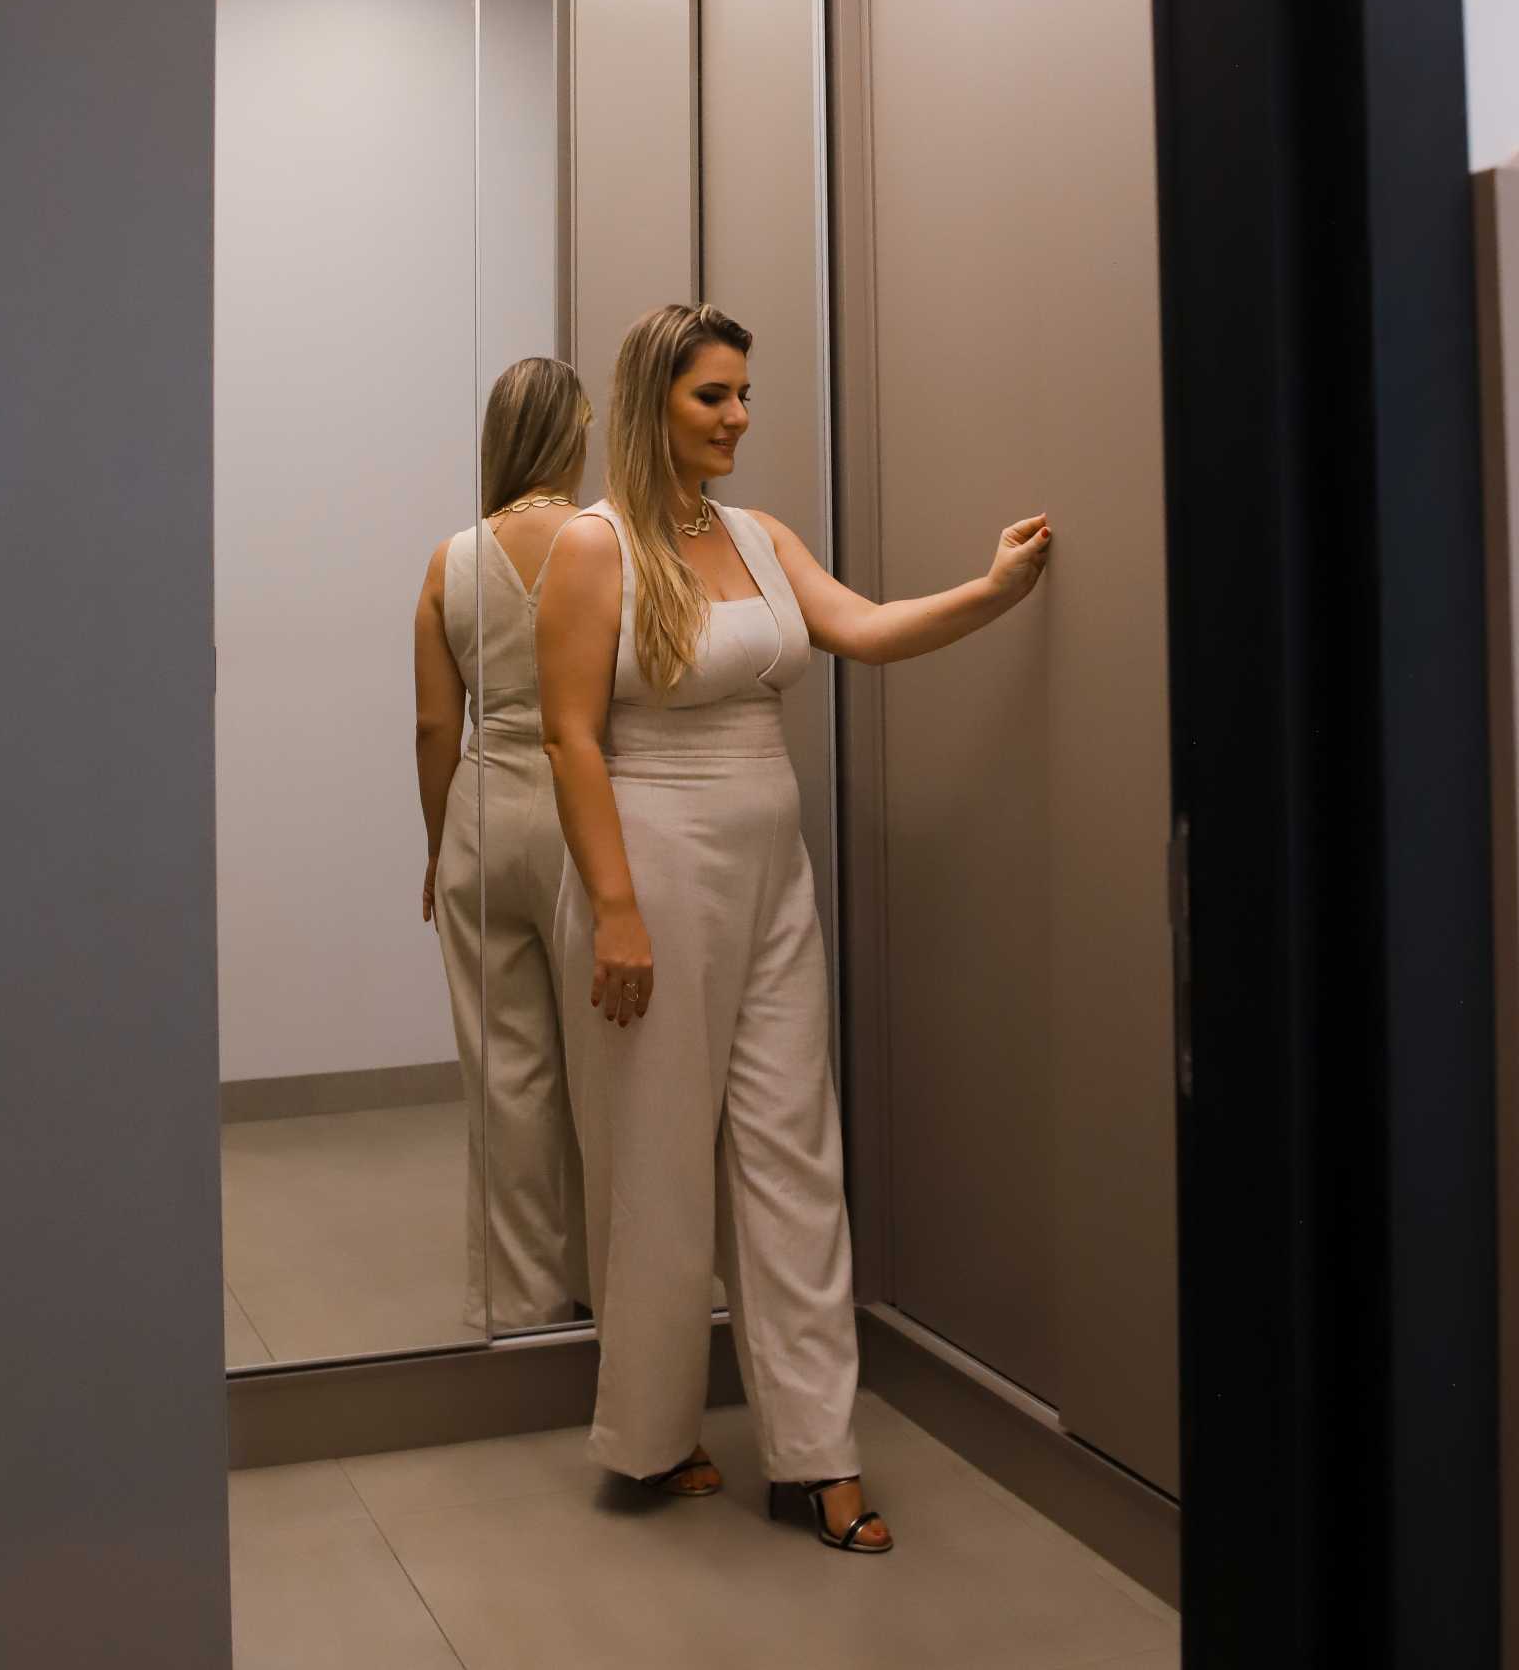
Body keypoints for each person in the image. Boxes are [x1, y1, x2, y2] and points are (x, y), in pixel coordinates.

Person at [538, 302, 1051, 1553]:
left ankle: (816, 1453)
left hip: (772, 867)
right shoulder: (593, 548)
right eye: (713, 395)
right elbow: (569, 736)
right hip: (651, 865)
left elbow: (863, 629)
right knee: (656, 1160)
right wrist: (615, 909)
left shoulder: (759, 536)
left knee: (793, 1152)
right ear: (654, 400)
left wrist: (993, 588)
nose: (738, 417)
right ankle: (651, 1433)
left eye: (744, 394)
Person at [413, 356, 593, 1333]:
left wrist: (437, 845)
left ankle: (523, 1303)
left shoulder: (450, 562)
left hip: (483, 810)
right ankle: (615, 1282)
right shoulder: (605, 541)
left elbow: (434, 727)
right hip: (585, 813)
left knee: (506, 1075)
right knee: (607, 1069)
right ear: (573, 435)